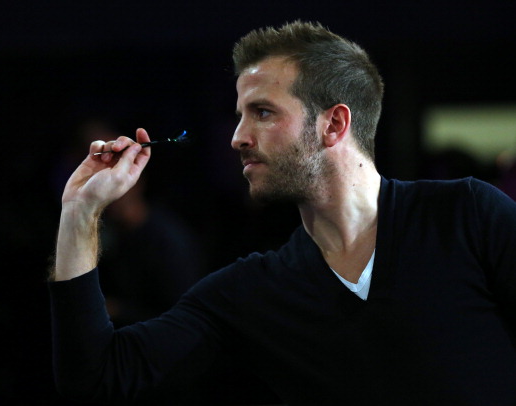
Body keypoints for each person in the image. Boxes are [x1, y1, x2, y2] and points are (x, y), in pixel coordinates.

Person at [49, 21, 516, 405]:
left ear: (334, 124)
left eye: (263, 112)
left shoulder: (466, 215)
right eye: (240, 114)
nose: (238, 137)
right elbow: (97, 377)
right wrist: (79, 212)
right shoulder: (252, 289)